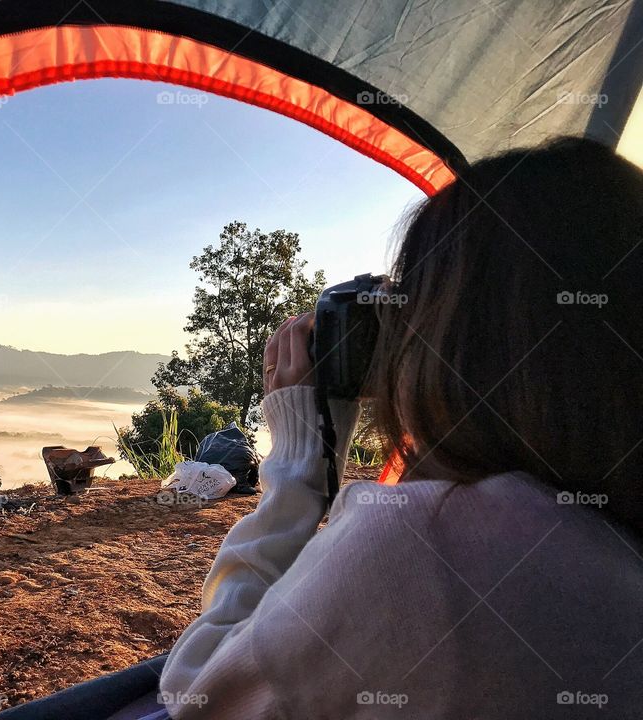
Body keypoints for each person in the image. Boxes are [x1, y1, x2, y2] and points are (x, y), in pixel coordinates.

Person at [157, 137, 643, 718]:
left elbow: (194, 692)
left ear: (457, 337)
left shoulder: (428, 545)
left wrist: (300, 470)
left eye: (415, 301)